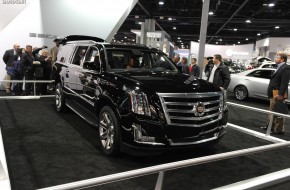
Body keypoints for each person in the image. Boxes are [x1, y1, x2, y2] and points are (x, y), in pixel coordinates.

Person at [262, 52, 290, 135]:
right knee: (272, 111)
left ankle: (279, 130)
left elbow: (284, 82)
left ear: (282, 59)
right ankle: (270, 127)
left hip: (278, 94)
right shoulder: (279, 67)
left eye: (277, 57)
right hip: (274, 93)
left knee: (278, 111)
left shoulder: (285, 68)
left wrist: (281, 94)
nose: (275, 58)